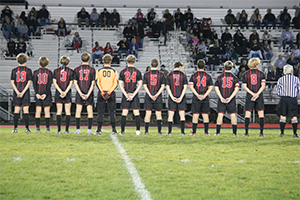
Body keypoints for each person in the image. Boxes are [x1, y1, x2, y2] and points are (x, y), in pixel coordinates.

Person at [95, 54, 119, 135]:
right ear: (111, 61)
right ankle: (114, 129)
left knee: (100, 112)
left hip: (102, 92)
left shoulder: (99, 71)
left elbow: (97, 82)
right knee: (112, 112)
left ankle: (98, 130)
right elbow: (115, 83)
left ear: (103, 61)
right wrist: (109, 92)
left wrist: (102, 91)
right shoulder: (114, 71)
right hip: (111, 92)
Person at [119, 55, 143, 135]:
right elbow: (140, 84)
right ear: (134, 61)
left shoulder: (123, 71)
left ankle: (122, 131)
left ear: (127, 61)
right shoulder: (137, 71)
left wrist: (126, 94)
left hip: (126, 93)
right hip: (134, 93)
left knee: (124, 113)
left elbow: (120, 84)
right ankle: (138, 130)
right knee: (136, 113)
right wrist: (133, 94)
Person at [214, 61, 239, 136]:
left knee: (220, 115)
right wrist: (230, 97)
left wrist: (221, 97)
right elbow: (236, 88)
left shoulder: (220, 77)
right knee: (233, 115)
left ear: (224, 67)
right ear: (231, 68)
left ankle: (217, 133)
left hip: (222, 97)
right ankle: (234, 133)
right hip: (231, 99)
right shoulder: (234, 78)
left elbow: (216, 87)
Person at [242, 58, 266, 137]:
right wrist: (257, 94)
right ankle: (261, 133)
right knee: (261, 114)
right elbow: (263, 85)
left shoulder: (245, 74)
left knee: (247, 114)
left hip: (249, 96)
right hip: (259, 95)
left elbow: (244, 86)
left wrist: (252, 94)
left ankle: (246, 133)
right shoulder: (261, 74)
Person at [189, 60, 213, 136]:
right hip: (204, 97)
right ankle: (206, 132)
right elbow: (210, 87)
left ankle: (194, 132)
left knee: (195, 114)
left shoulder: (193, 76)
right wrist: (205, 95)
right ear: (204, 66)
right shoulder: (208, 76)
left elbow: (191, 87)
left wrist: (197, 95)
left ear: (197, 66)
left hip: (196, 97)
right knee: (205, 115)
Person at [73, 53, 95, 135]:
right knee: (90, 111)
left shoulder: (76, 69)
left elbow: (75, 82)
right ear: (89, 59)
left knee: (78, 111)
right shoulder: (92, 70)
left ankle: (78, 129)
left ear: (81, 59)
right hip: (88, 92)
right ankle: (89, 130)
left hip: (80, 91)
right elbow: (93, 83)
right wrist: (88, 94)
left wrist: (80, 93)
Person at [10, 53, 32, 133]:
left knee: (16, 110)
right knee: (26, 110)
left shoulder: (14, 70)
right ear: (26, 60)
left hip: (17, 92)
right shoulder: (28, 70)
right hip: (25, 92)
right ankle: (27, 128)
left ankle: (15, 128)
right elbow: (29, 82)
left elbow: (12, 82)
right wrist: (23, 92)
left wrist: (17, 92)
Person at [143, 59, 166, 135]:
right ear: (158, 65)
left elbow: (145, 86)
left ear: (151, 64)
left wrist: (150, 94)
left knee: (148, 113)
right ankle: (159, 131)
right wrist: (157, 94)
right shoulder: (161, 74)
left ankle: (146, 131)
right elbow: (163, 86)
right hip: (157, 96)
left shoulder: (146, 74)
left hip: (149, 95)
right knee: (158, 114)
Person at [277, 64, 300, 137]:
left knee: (283, 115)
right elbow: (299, 90)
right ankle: (295, 133)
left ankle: (282, 133)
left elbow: (278, 91)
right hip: (292, 99)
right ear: (291, 71)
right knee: (294, 115)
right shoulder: (296, 79)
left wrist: (282, 94)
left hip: (283, 99)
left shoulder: (281, 79)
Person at [52, 56, 74, 134]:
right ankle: (67, 130)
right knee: (68, 111)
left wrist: (60, 91)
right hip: (67, 92)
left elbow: (54, 82)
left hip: (59, 93)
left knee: (59, 111)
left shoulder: (56, 71)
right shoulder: (71, 71)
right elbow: (71, 83)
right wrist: (65, 92)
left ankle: (59, 130)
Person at [166, 61, 188, 135]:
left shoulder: (169, 75)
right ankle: (182, 132)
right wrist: (181, 97)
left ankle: (169, 132)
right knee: (182, 115)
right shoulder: (183, 75)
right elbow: (185, 87)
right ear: (179, 67)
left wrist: (172, 96)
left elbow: (167, 87)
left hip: (172, 96)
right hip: (180, 96)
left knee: (170, 115)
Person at [32, 56, 53, 133]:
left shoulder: (35, 72)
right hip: (46, 94)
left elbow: (34, 84)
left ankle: (38, 129)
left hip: (38, 92)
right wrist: (45, 94)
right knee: (47, 111)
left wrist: (37, 93)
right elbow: (49, 84)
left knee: (38, 111)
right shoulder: (49, 72)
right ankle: (47, 129)